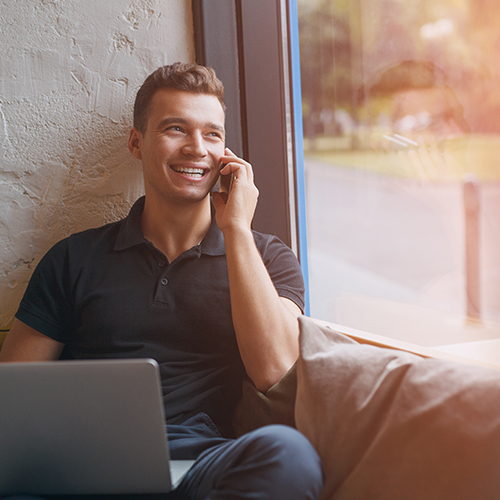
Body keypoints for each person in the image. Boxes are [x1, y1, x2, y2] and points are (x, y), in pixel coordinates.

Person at [0, 62, 323, 499]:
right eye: (176, 129)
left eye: (212, 134)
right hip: (84, 467)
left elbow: (274, 370)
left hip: (202, 466)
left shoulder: (267, 257)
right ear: (137, 142)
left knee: (291, 454)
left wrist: (238, 232)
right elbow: (13, 398)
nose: (197, 148)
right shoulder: (73, 258)